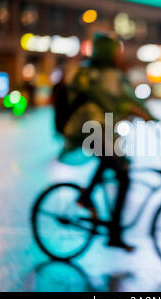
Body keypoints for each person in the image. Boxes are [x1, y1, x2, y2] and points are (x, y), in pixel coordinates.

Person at [60, 33, 154, 251]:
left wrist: (153, 117)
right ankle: (113, 232)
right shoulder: (88, 73)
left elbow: (130, 97)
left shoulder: (114, 74)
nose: (118, 55)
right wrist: (130, 109)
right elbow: (106, 97)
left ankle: (87, 198)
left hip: (104, 130)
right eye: (115, 51)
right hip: (88, 129)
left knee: (116, 165)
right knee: (121, 172)